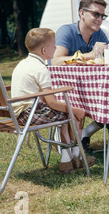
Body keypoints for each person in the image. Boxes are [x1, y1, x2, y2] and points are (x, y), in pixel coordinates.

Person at [52, 0, 109, 153]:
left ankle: (84, 134)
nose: (100, 19)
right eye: (96, 14)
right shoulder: (67, 31)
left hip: (93, 90)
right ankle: (67, 138)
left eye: (102, 16)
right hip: (69, 91)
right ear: (82, 13)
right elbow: (55, 61)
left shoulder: (100, 34)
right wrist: (89, 54)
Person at [11, 28, 96, 173]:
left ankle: (67, 159)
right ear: (44, 50)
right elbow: (52, 103)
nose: (56, 48)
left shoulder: (22, 64)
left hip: (17, 114)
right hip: (31, 115)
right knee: (73, 114)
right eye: (54, 45)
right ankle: (76, 157)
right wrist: (76, 110)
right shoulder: (40, 68)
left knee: (65, 113)